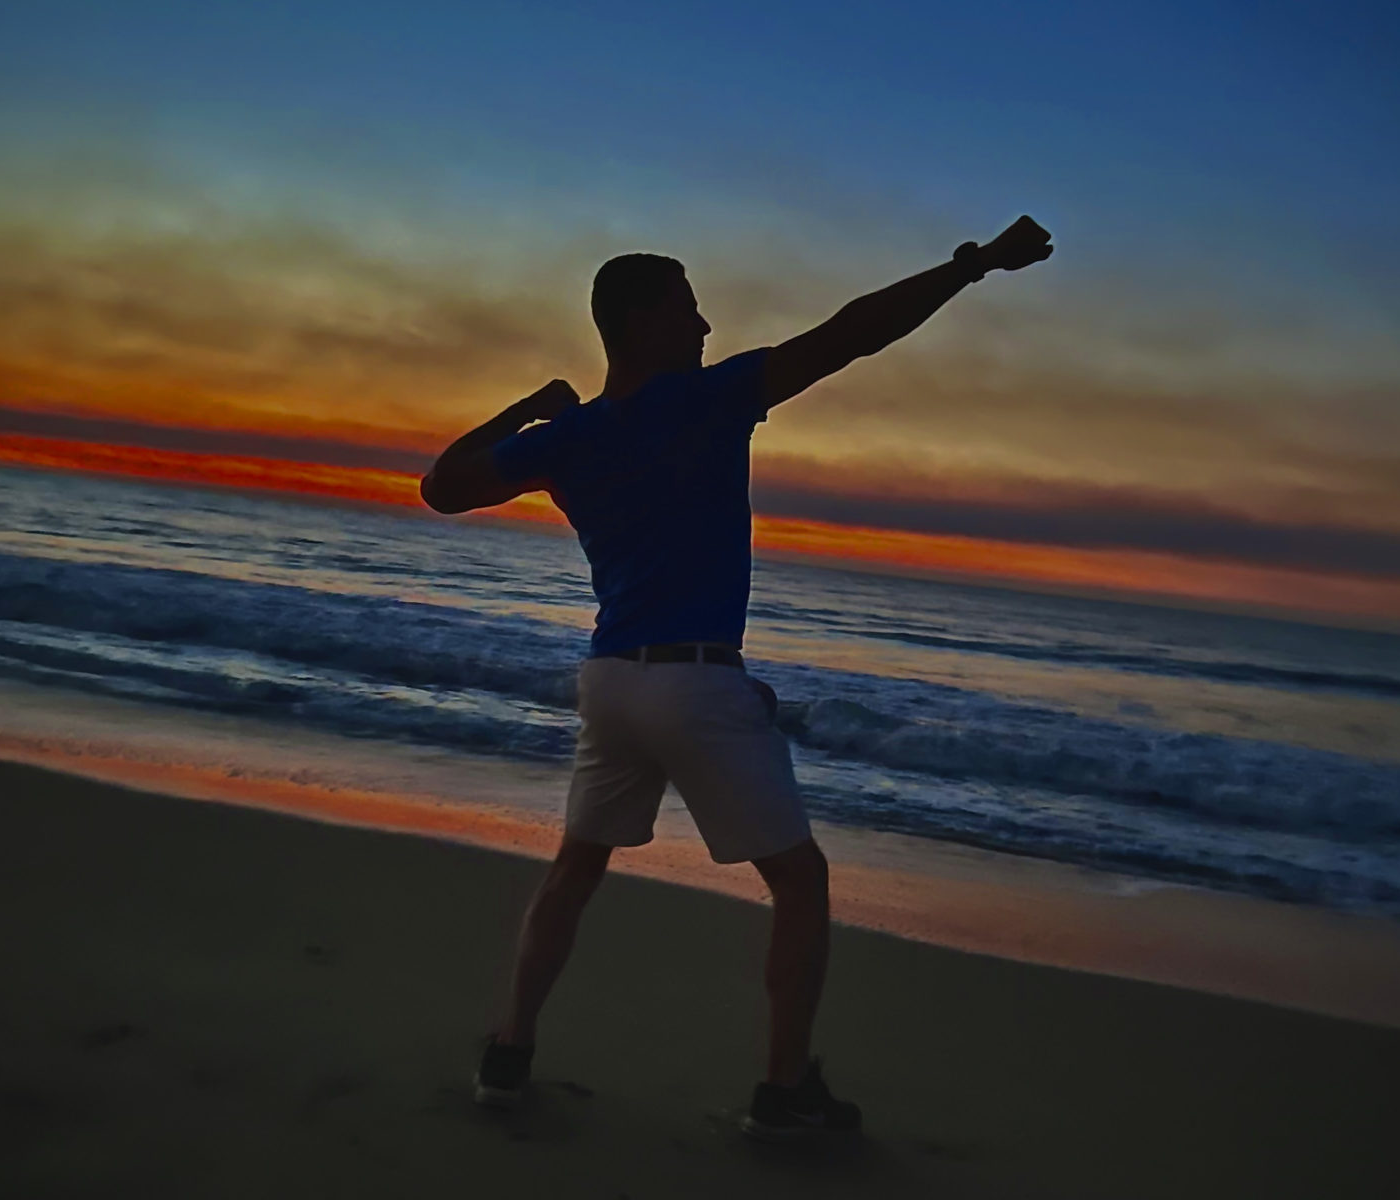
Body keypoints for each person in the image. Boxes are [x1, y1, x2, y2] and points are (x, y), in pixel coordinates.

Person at [420, 216, 1054, 1140]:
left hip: (612, 684)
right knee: (799, 882)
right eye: (687, 309)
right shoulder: (706, 400)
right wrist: (971, 267)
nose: (707, 325)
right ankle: (785, 1090)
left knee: (574, 870)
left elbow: (441, 487)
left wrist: (526, 410)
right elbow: (851, 334)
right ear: (639, 323)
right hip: (694, 685)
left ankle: (508, 1055)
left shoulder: (567, 441)